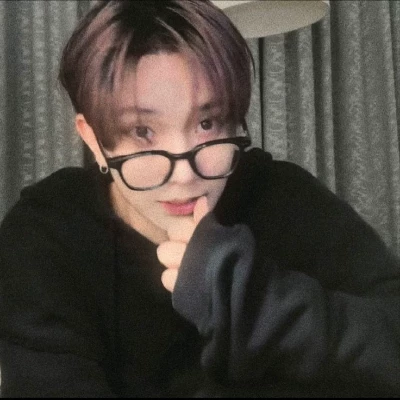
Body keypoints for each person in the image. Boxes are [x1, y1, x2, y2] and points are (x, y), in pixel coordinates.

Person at [0, 0, 399, 397]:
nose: (186, 175)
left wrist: (260, 303)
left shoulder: (282, 196)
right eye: (142, 132)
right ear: (93, 140)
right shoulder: (44, 237)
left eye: (207, 124)